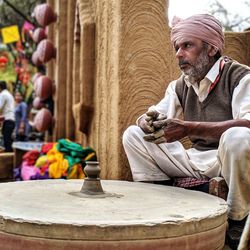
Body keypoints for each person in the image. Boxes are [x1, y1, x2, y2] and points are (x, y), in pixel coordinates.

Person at [122, 14, 250, 250]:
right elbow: (152, 115)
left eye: (187, 46)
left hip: (228, 163)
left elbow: (248, 125)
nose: (179, 54)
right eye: (176, 48)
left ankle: (236, 220)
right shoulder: (181, 84)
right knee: (133, 135)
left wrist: (188, 128)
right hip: (196, 162)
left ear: (211, 48)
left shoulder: (240, 77)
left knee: (239, 138)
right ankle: (188, 192)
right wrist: (146, 122)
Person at [0, 80, 15, 152]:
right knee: (7, 139)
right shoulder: (10, 95)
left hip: (8, 120)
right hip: (11, 119)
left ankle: (9, 158)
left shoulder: (3, 94)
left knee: (6, 140)